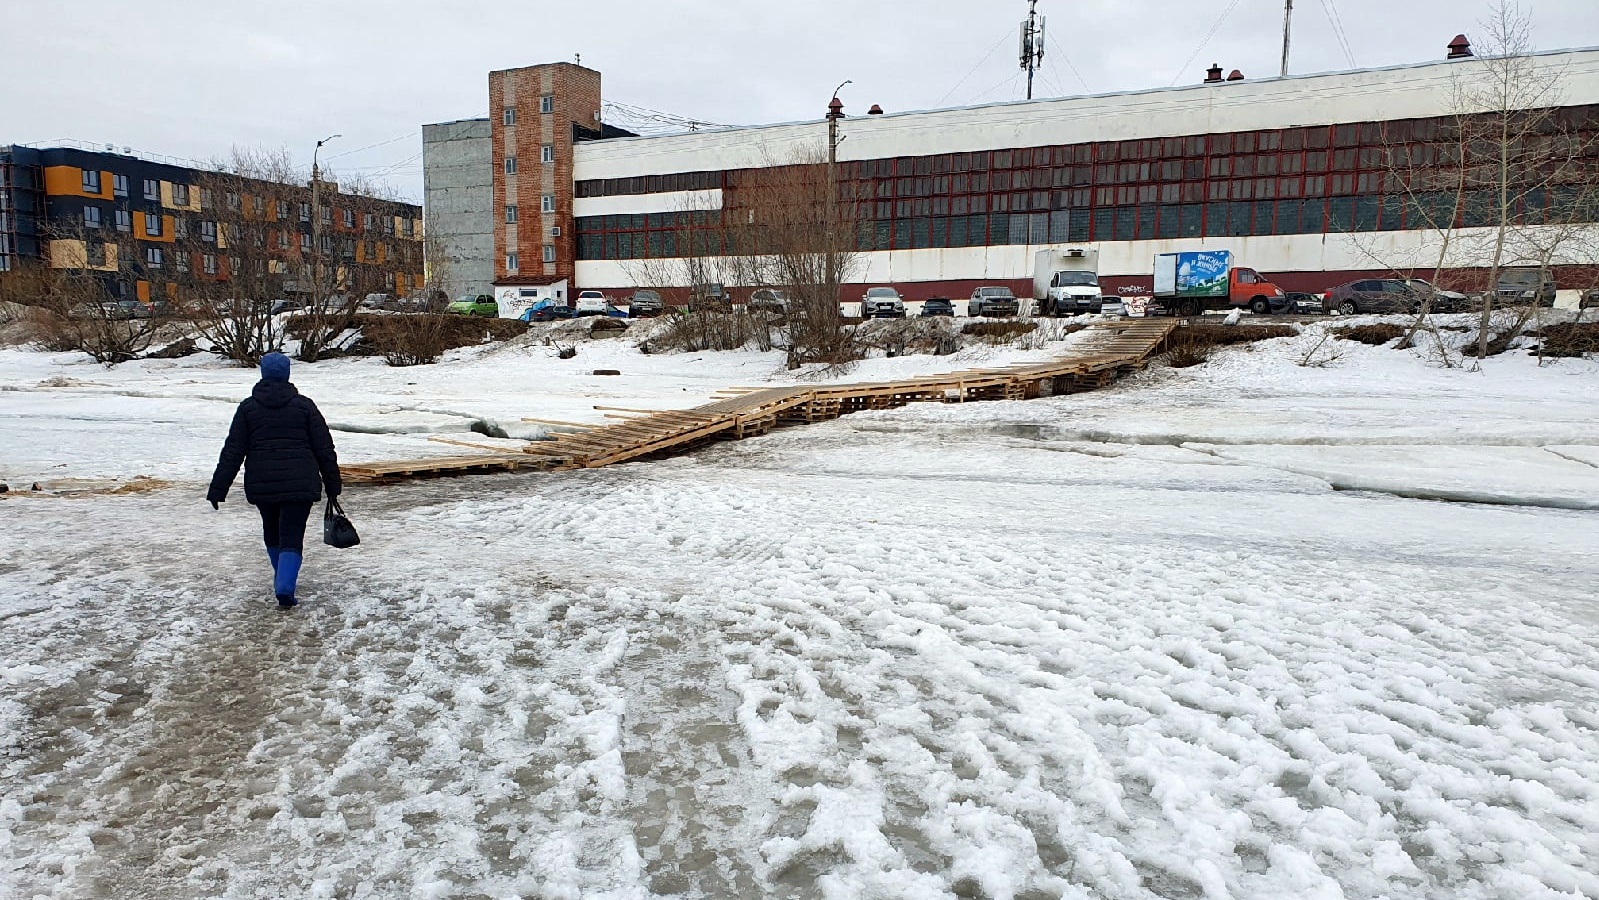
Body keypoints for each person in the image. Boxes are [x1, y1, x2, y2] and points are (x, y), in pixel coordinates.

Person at [207, 352, 341, 608]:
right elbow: (324, 448)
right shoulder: (305, 406)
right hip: (300, 482)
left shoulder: (248, 408)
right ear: (288, 374)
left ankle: (281, 580)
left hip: (262, 482)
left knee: (272, 531)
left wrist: (218, 488)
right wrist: (333, 483)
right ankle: (285, 586)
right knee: (292, 533)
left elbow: (233, 451)